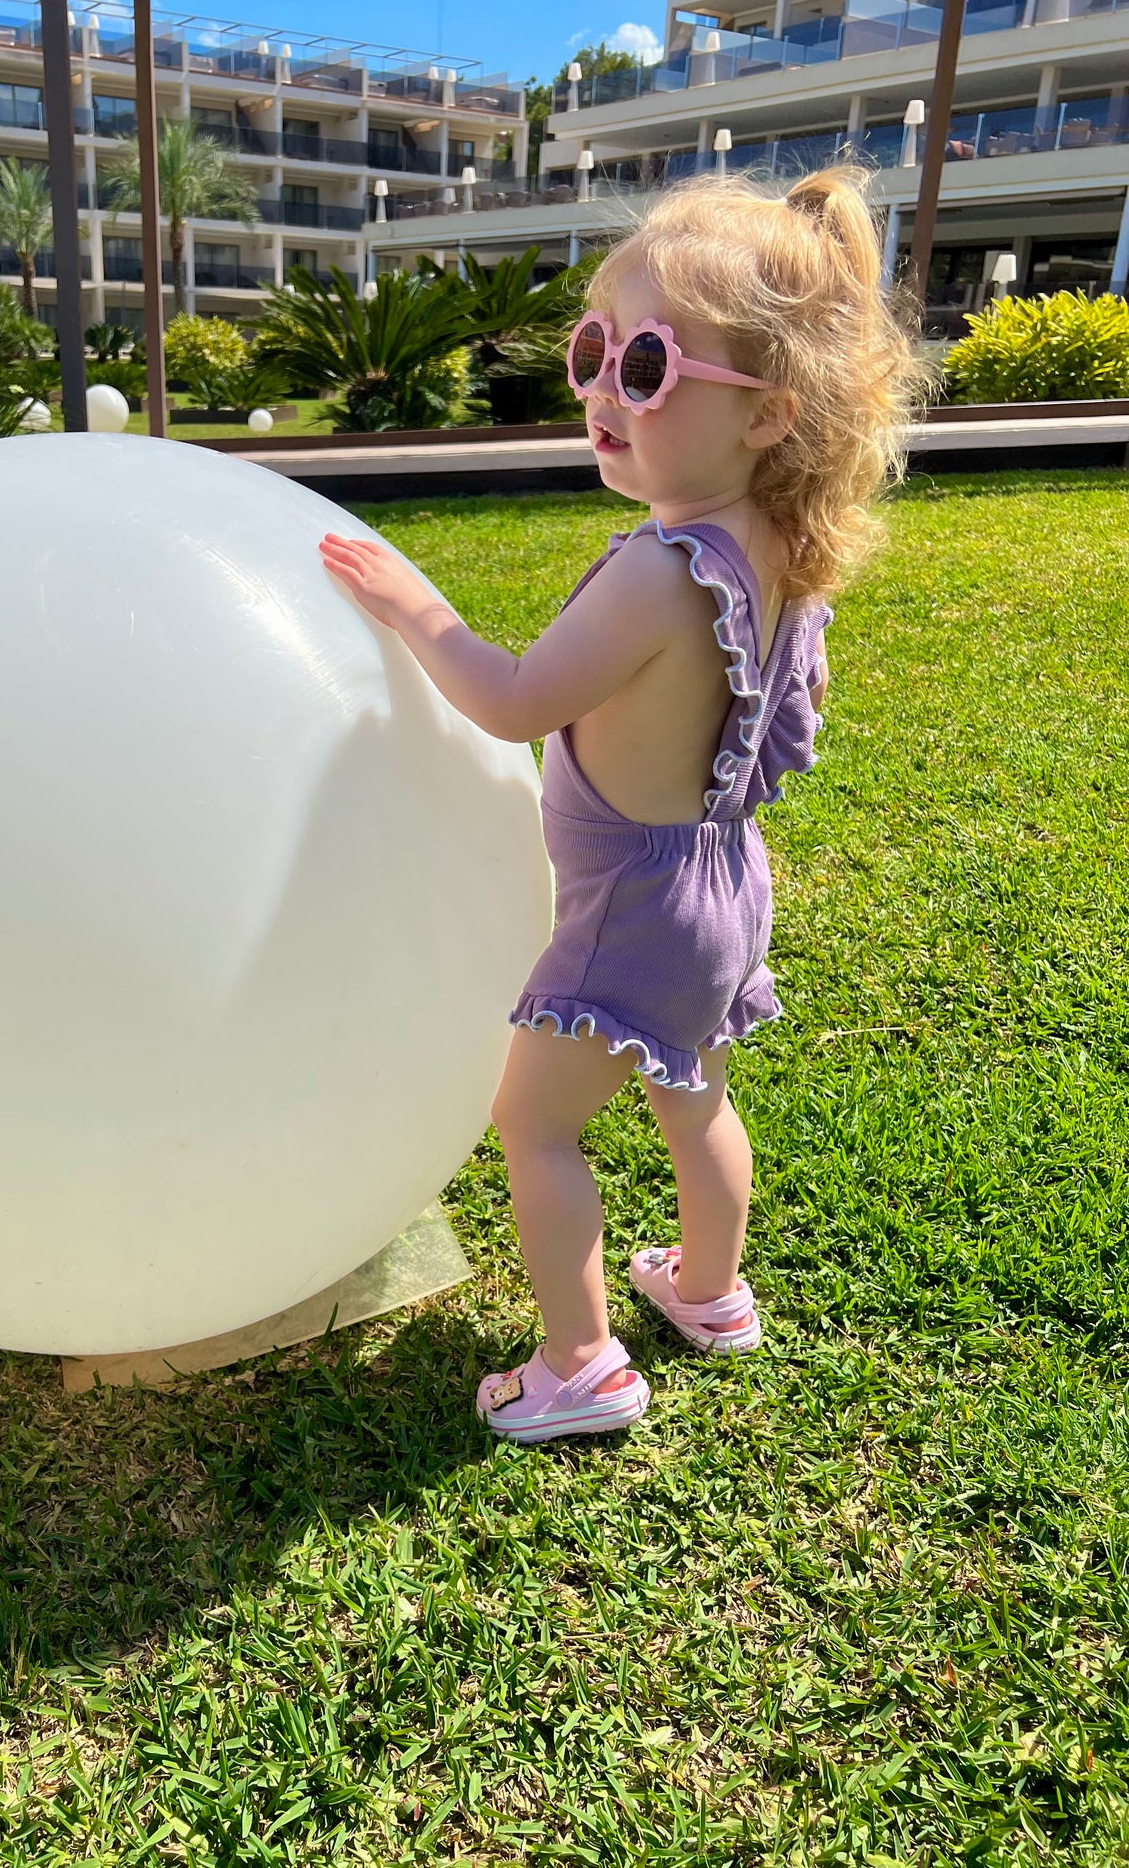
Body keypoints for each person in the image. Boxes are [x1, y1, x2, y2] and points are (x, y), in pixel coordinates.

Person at [319, 166, 927, 1444]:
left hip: (624, 909)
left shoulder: (658, 572)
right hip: (716, 885)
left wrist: (410, 604)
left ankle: (579, 1359)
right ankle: (708, 1292)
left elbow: (513, 699)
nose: (600, 389)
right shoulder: (777, 554)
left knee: (531, 1124)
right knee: (690, 1092)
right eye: (592, 351)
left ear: (766, 414)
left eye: (645, 368)